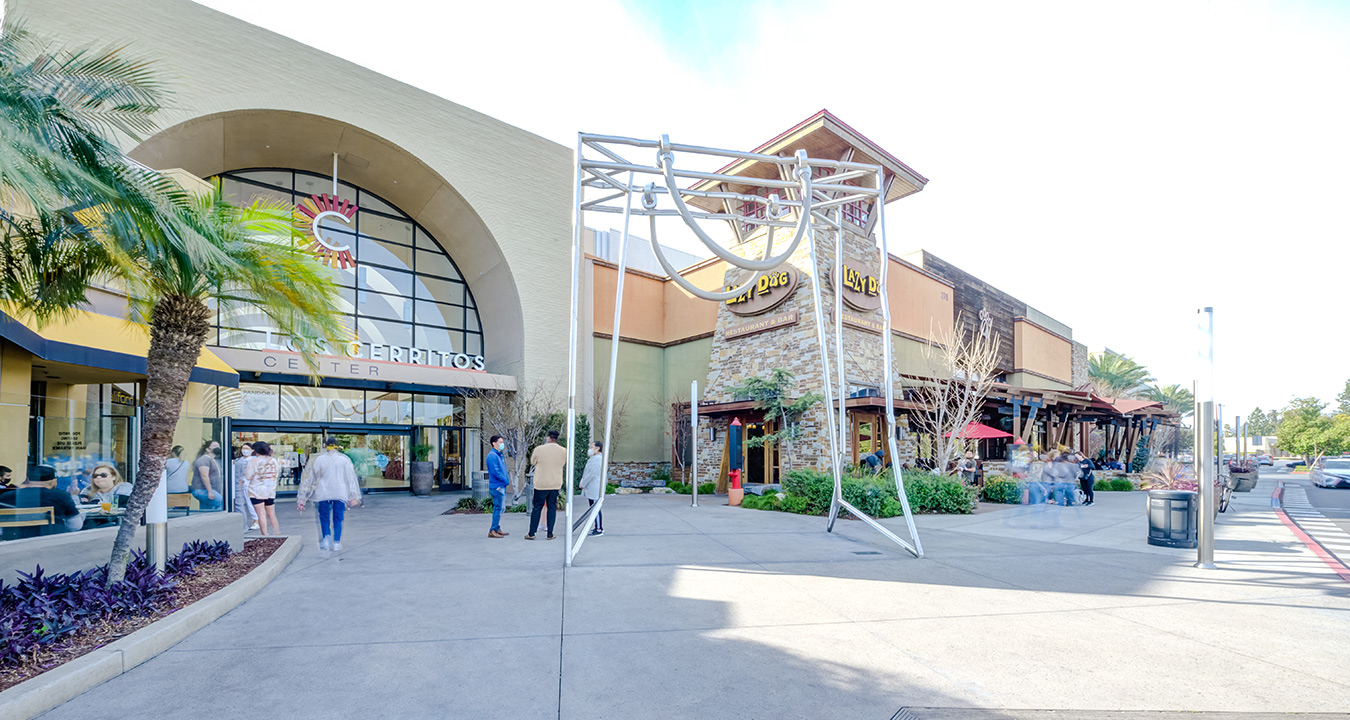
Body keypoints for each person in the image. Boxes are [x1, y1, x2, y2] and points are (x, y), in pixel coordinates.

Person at [296, 437, 362, 552]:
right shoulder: (344, 460)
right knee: (338, 518)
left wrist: (302, 497)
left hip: (323, 493)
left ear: (325, 446)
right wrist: (353, 496)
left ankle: (326, 539)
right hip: (340, 493)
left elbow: (310, 478)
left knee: (324, 517)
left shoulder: (319, 460)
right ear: (337, 446)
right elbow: (351, 479)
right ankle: (336, 542)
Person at [0, 465, 82, 536]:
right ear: (53, 481)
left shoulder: (5, 497)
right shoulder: (61, 496)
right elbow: (75, 526)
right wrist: (74, 497)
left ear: (28, 480)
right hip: (50, 546)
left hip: (13, 546)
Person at [526, 430, 567, 541]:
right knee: (552, 507)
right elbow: (564, 463)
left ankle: (531, 533)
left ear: (548, 438)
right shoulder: (564, 451)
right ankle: (550, 533)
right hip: (555, 483)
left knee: (537, 508)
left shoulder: (539, 449)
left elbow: (533, 462)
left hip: (541, 483)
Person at [245, 441, 281, 536]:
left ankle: (265, 535)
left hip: (256, 491)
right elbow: (276, 474)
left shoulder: (253, 461)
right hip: (269, 490)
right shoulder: (273, 461)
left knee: (261, 514)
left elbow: (248, 476)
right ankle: (277, 533)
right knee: (271, 514)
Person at [486, 434, 510, 538]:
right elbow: (495, 472)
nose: (502, 444)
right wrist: (504, 480)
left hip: (500, 485)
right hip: (497, 486)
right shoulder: (492, 456)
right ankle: (492, 530)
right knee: (497, 508)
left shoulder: (498, 454)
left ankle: (496, 527)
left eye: (502, 442)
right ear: (493, 443)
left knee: (500, 508)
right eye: (500, 442)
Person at [579, 440, 605, 537]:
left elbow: (592, 474)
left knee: (595, 508)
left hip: (594, 487)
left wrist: (583, 483)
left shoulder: (598, 459)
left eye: (592, 447)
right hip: (591, 487)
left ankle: (599, 528)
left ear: (597, 448)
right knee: (593, 507)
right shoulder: (594, 458)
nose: (590, 449)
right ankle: (597, 526)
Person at [231, 444, 259, 531]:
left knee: (251, 504)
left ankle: (256, 521)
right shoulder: (239, 460)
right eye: (243, 448)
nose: (245, 450)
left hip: (249, 485)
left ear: (252, 450)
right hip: (239, 485)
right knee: (242, 504)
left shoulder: (254, 460)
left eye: (247, 448)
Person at [192, 440, 223, 510]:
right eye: (214, 446)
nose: (217, 448)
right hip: (202, 490)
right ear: (207, 449)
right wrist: (210, 491)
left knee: (206, 511)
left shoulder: (213, 460)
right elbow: (204, 476)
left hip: (209, 491)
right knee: (222, 502)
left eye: (218, 446)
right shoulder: (204, 460)